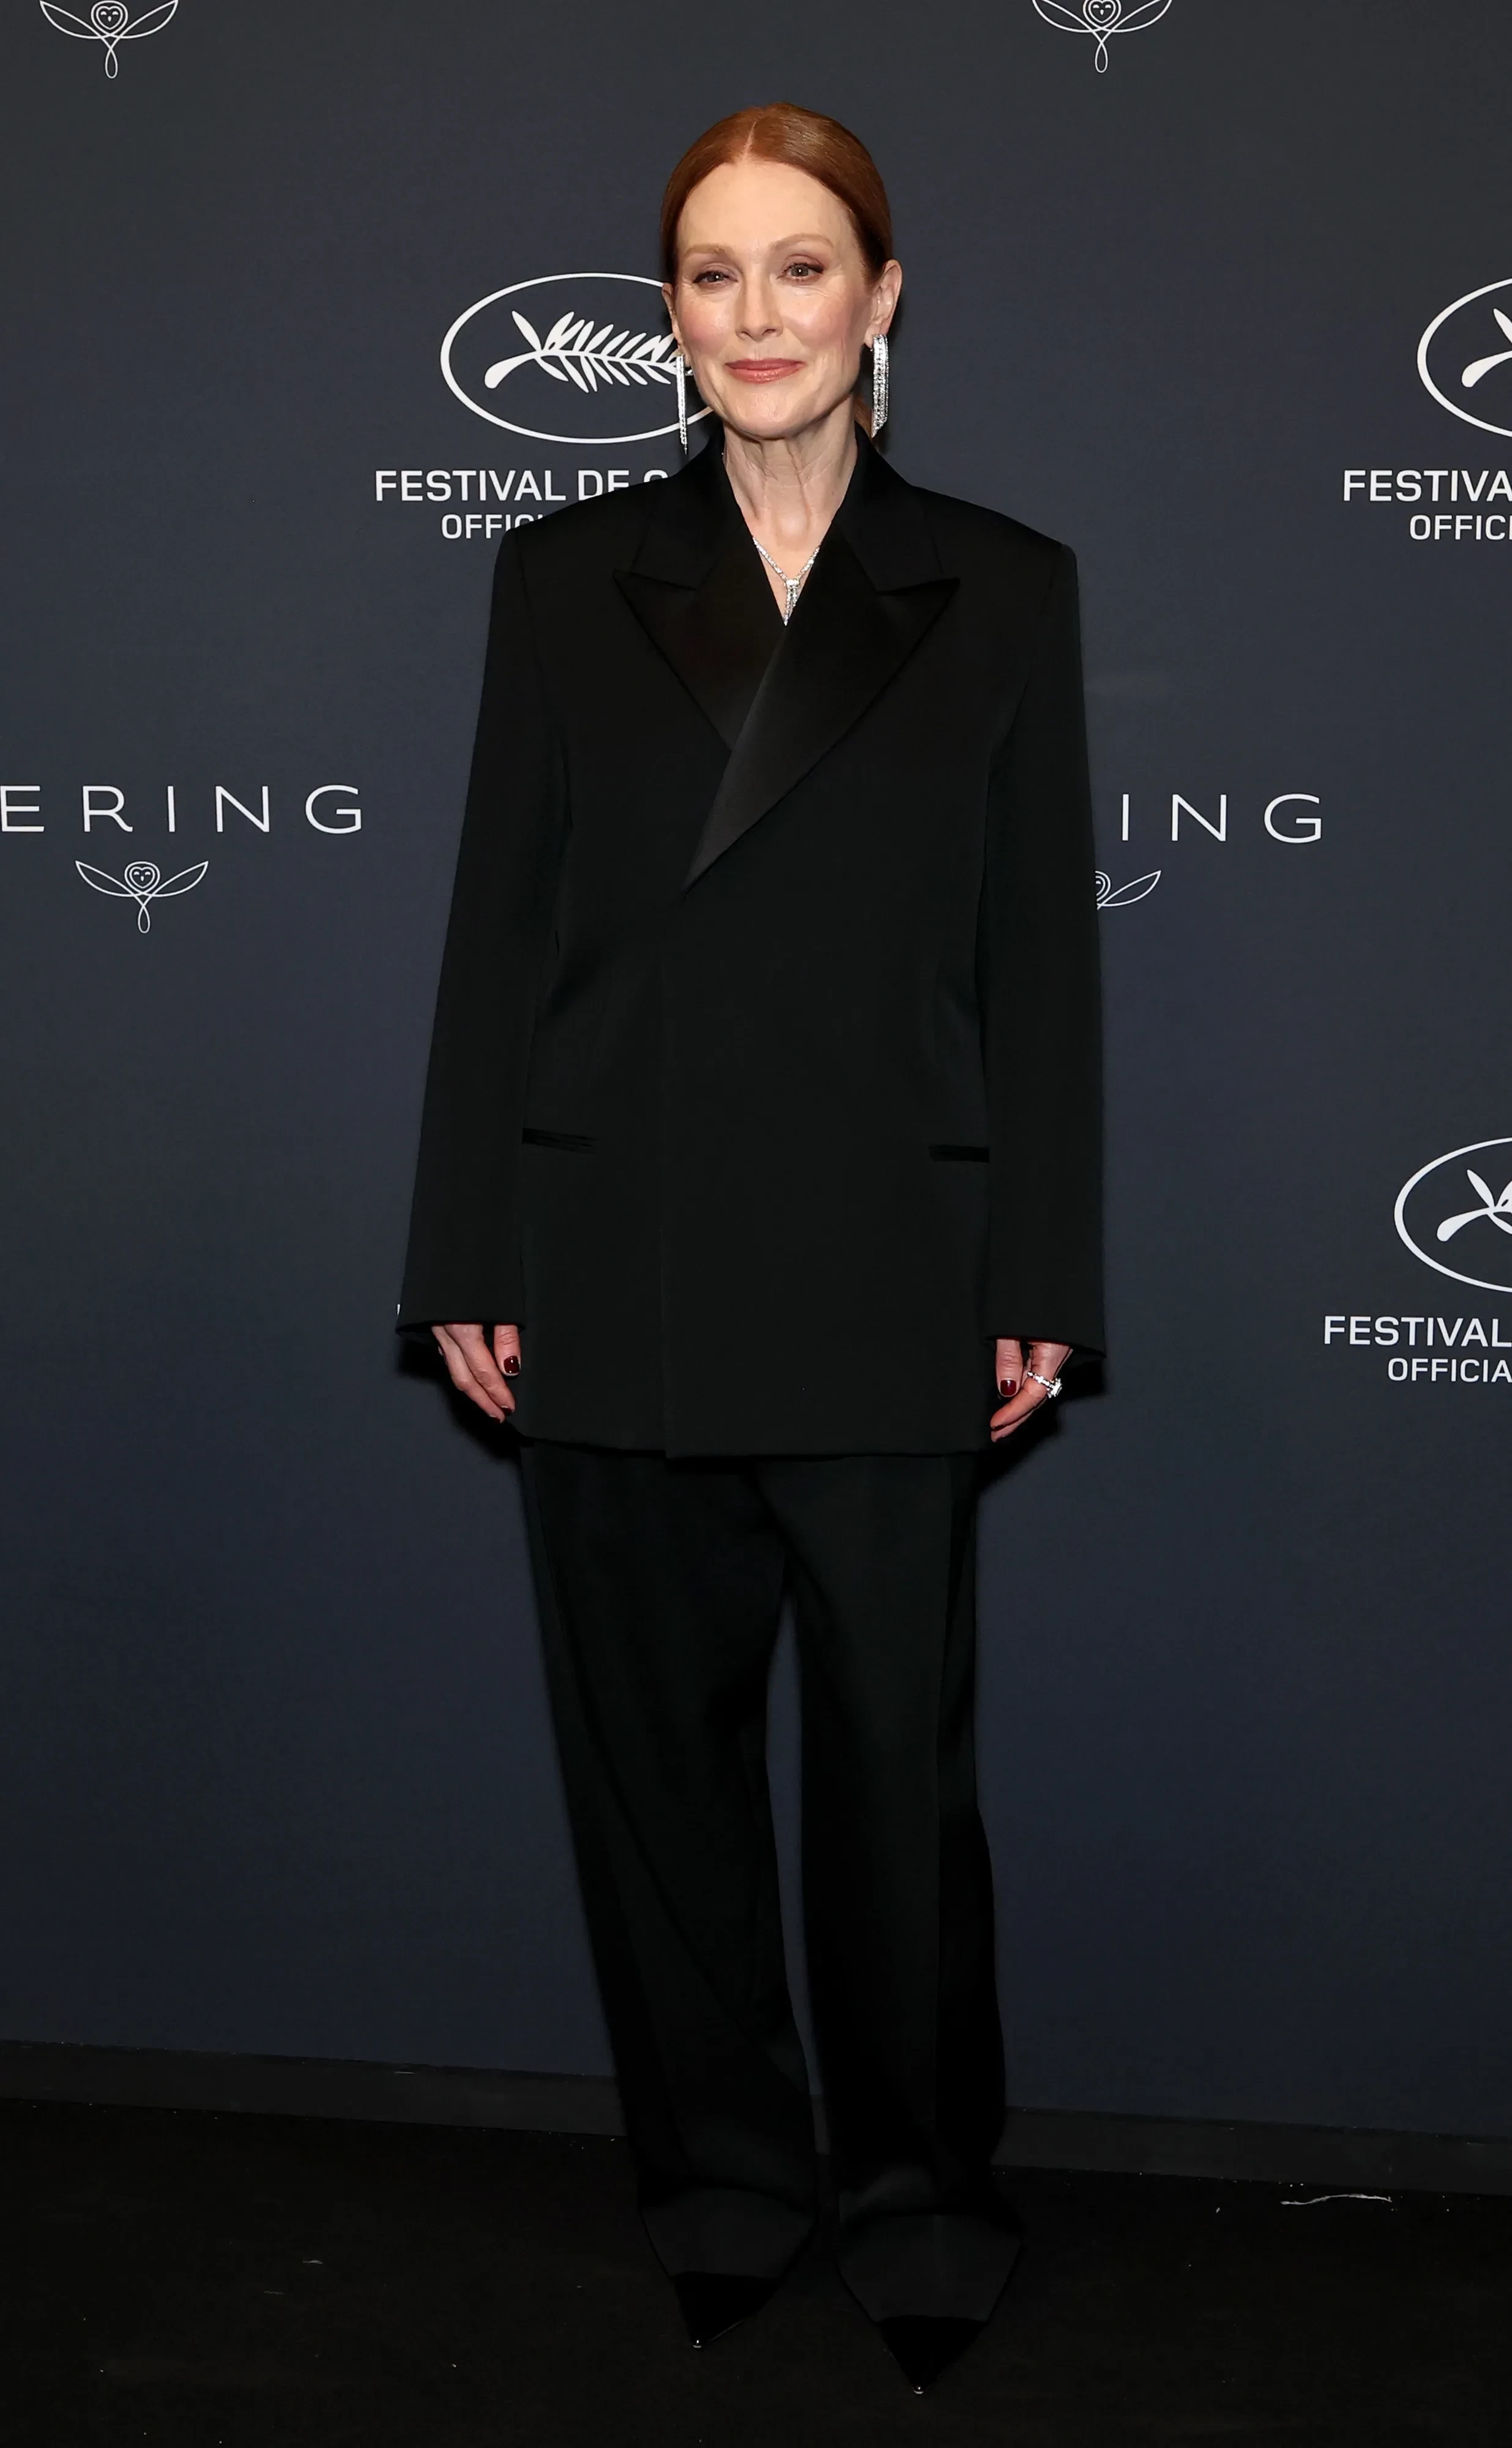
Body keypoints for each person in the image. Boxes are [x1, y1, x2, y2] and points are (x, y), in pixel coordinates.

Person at [399, 102, 1103, 2394]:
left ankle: (920, 2194)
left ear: (881, 300)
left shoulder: (1001, 585)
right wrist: (465, 1240)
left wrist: (1040, 1272)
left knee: (896, 1786)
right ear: (670, 317)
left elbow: (1035, 958)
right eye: (713, 275)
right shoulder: (560, 575)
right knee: (655, 1776)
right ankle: (719, 2178)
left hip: (889, 1255)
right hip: (611, 1241)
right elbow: (500, 928)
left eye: (802, 268)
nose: (757, 314)